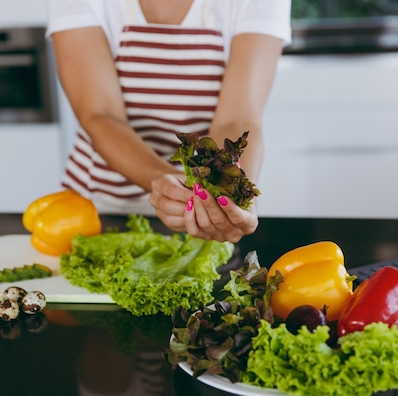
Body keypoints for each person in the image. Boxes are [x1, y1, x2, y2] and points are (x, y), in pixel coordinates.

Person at [47, 0, 292, 243]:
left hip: (201, 216)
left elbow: (236, 118)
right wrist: (180, 188)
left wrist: (228, 192)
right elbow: (100, 114)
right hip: (100, 208)